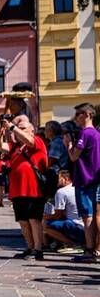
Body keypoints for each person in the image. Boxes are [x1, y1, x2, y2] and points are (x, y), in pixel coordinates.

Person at [0, 114, 48, 261]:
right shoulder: (16, 147)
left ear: (32, 131)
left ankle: (38, 250)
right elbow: (0, 147)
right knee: (22, 221)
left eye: (23, 129)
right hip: (17, 189)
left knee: (34, 219)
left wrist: (12, 127)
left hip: (34, 189)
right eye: (19, 129)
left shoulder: (37, 141)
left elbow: (29, 141)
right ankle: (30, 247)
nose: (20, 131)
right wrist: (1, 132)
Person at [67, 103, 100, 263]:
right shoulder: (97, 134)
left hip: (85, 179)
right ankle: (95, 248)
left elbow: (74, 157)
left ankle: (89, 250)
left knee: (87, 217)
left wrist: (69, 146)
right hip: (95, 179)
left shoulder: (85, 134)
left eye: (78, 114)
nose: (75, 119)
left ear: (87, 114)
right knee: (95, 215)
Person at [43, 169, 85, 253]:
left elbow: (57, 215)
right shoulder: (80, 187)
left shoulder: (61, 192)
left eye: (59, 178)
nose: (56, 181)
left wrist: (43, 216)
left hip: (76, 226)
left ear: (66, 179)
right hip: (85, 227)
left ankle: (72, 243)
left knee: (45, 226)